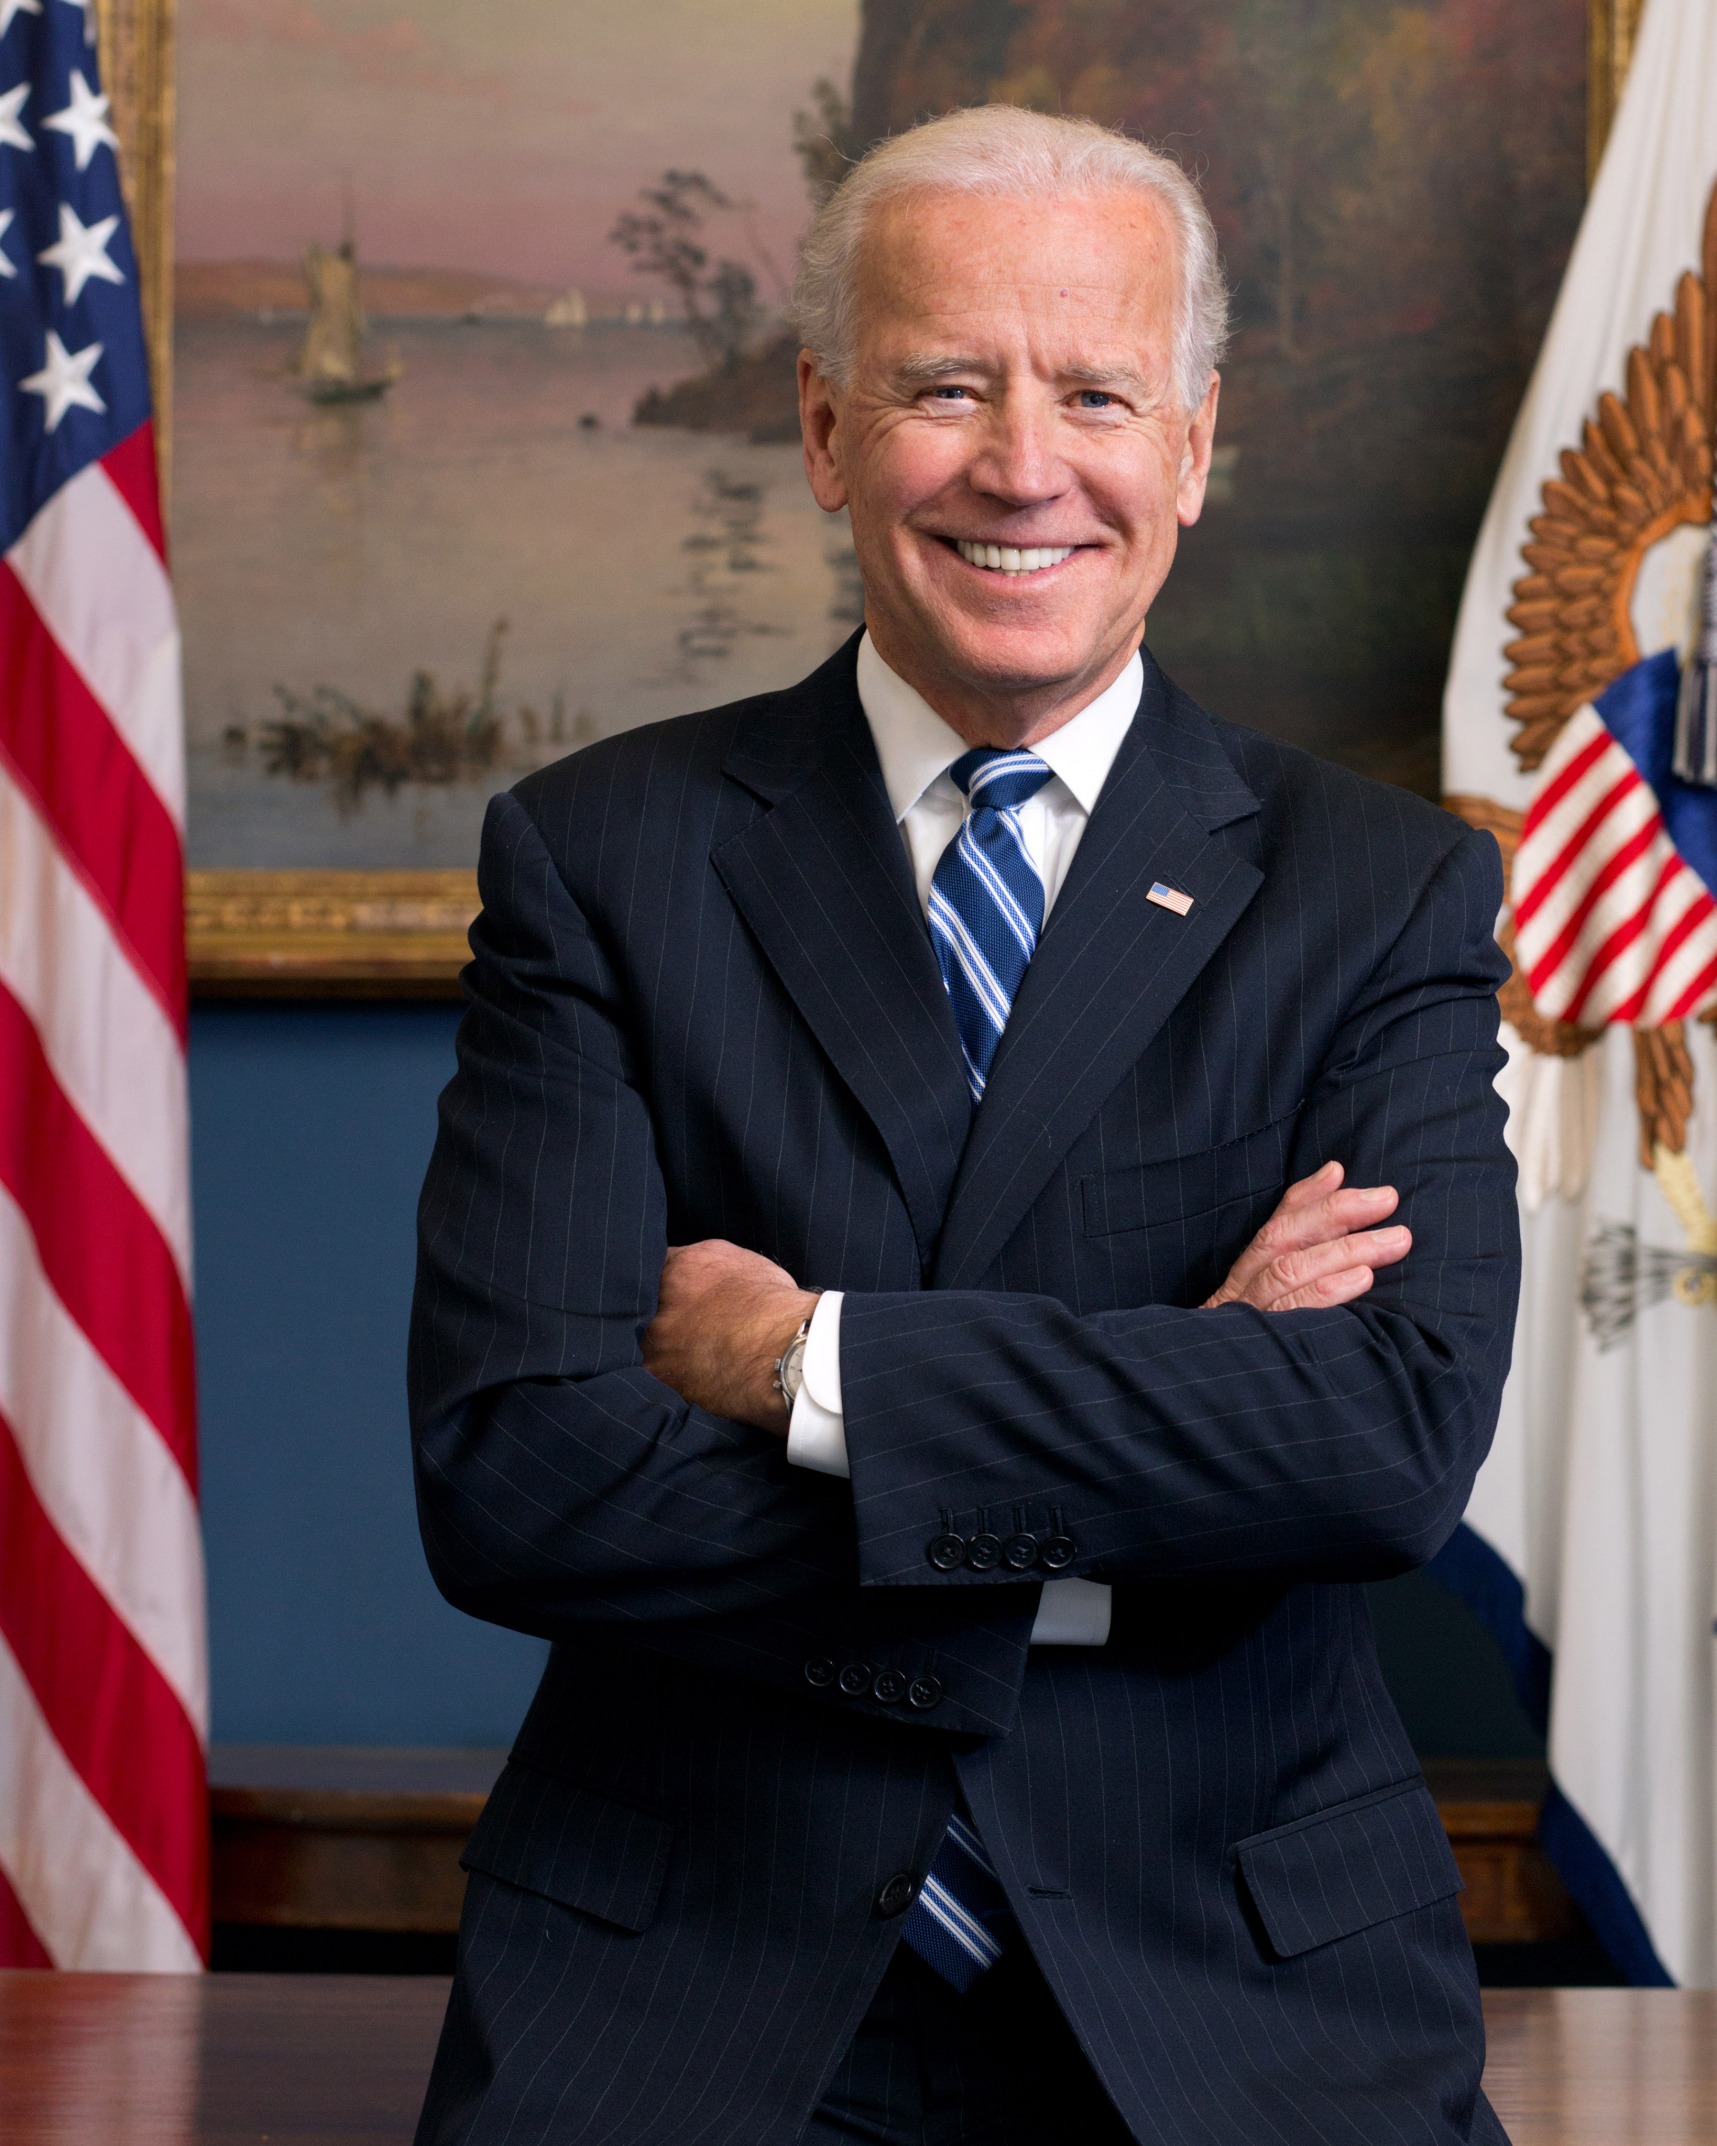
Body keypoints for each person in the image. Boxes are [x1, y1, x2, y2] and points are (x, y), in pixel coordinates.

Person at [409, 105, 1518, 2146]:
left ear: (1190, 440)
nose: (1025, 464)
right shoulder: (600, 858)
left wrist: (802, 1361)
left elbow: (1373, 1454)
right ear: (829, 431)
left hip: (1241, 1997)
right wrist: (1175, 1422)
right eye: (945, 385)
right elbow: (520, 1474)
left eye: (1095, 389)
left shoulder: (1379, 893)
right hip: (688, 1985)